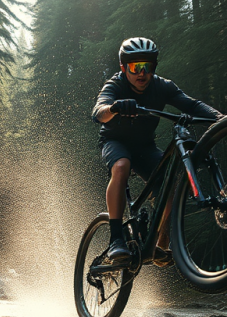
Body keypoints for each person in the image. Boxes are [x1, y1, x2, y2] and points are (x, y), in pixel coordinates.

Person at [91, 36, 220, 265]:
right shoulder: (116, 85)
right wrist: (114, 107)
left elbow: (191, 104)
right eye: (135, 67)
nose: (142, 73)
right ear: (123, 68)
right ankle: (116, 239)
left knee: (169, 180)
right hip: (115, 141)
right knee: (121, 166)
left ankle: (160, 242)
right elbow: (99, 113)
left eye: (147, 67)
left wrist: (223, 120)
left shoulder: (162, 86)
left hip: (144, 147)